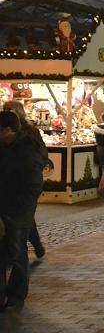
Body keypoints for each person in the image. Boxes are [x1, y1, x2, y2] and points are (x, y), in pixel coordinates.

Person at [0, 111, 45, 311]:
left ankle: (17, 295)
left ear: (7, 130)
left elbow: (33, 186)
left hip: (19, 210)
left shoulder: (27, 150)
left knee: (17, 252)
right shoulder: (5, 147)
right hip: (4, 207)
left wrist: (18, 209)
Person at [3, 101, 47, 261]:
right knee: (26, 220)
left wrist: (35, 169)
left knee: (23, 220)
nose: (7, 111)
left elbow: (41, 154)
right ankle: (35, 246)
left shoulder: (29, 132)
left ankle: (27, 253)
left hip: (25, 185)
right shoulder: (4, 134)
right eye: (6, 109)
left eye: (10, 109)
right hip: (10, 189)